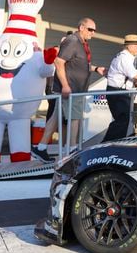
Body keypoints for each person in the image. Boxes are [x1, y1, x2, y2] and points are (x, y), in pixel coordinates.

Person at [33, 18, 106, 161]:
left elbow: (79, 65)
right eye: (90, 29)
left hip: (75, 89)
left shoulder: (83, 44)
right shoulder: (72, 41)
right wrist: (65, 86)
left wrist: (96, 69)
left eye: (94, 30)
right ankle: (72, 151)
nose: (93, 33)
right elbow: (59, 62)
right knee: (75, 118)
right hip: (71, 89)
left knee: (55, 118)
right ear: (81, 27)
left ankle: (40, 148)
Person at [103, 35, 137, 142]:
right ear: (130, 46)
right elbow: (135, 74)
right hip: (117, 92)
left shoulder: (127, 57)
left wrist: (136, 84)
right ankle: (108, 144)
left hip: (119, 91)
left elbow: (130, 76)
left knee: (123, 119)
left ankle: (114, 143)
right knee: (122, 120)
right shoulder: (124, 58)